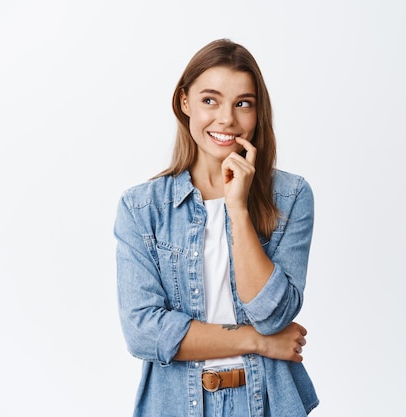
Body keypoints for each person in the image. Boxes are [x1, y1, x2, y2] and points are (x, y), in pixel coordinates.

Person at [114, 38, 318, 417]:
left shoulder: (291, 196)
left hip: (267, 401)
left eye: (243, 103)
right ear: (184, 102)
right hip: (176, 405)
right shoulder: (142, 209)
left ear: (258, 112)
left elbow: (273, 314)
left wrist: (237, 208)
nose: (227, 118)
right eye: (210, 100)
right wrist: (259, 341)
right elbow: (143, 331)